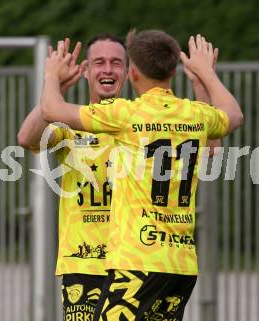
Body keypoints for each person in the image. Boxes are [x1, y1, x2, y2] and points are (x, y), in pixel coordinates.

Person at [40, 29, 243, 321]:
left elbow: (51, 108)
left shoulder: (127, 113)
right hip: (180, 264)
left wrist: (51, 75)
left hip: (138, 260)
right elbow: (233, 116)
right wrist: (205, 76)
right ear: (175, 70)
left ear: (132, 72)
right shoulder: (193, 114)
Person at [17, 33, 128, 321]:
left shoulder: (139, 122)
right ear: (86, 71)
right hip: (83, 264)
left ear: (128, 72)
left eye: (116, 63)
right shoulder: (70, 125)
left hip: (132, 262)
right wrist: (53, 86)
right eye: (99, 62)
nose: (107, 70)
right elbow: (27, 138)